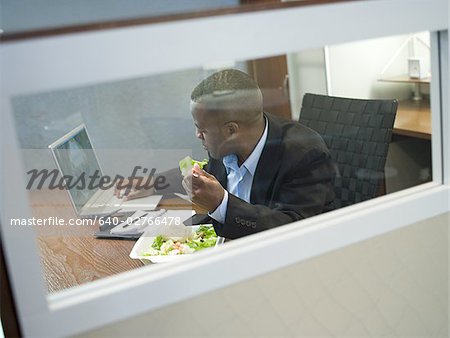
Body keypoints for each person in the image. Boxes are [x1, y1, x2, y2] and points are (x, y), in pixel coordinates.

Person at [116, 69, 336, 239]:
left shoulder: (304, 155)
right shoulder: (226, 144)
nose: (197, 135)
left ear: (231, 130)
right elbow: (205, 173)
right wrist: (155, 183)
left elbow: (292, 228)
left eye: (202, 130)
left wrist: (221, 203)